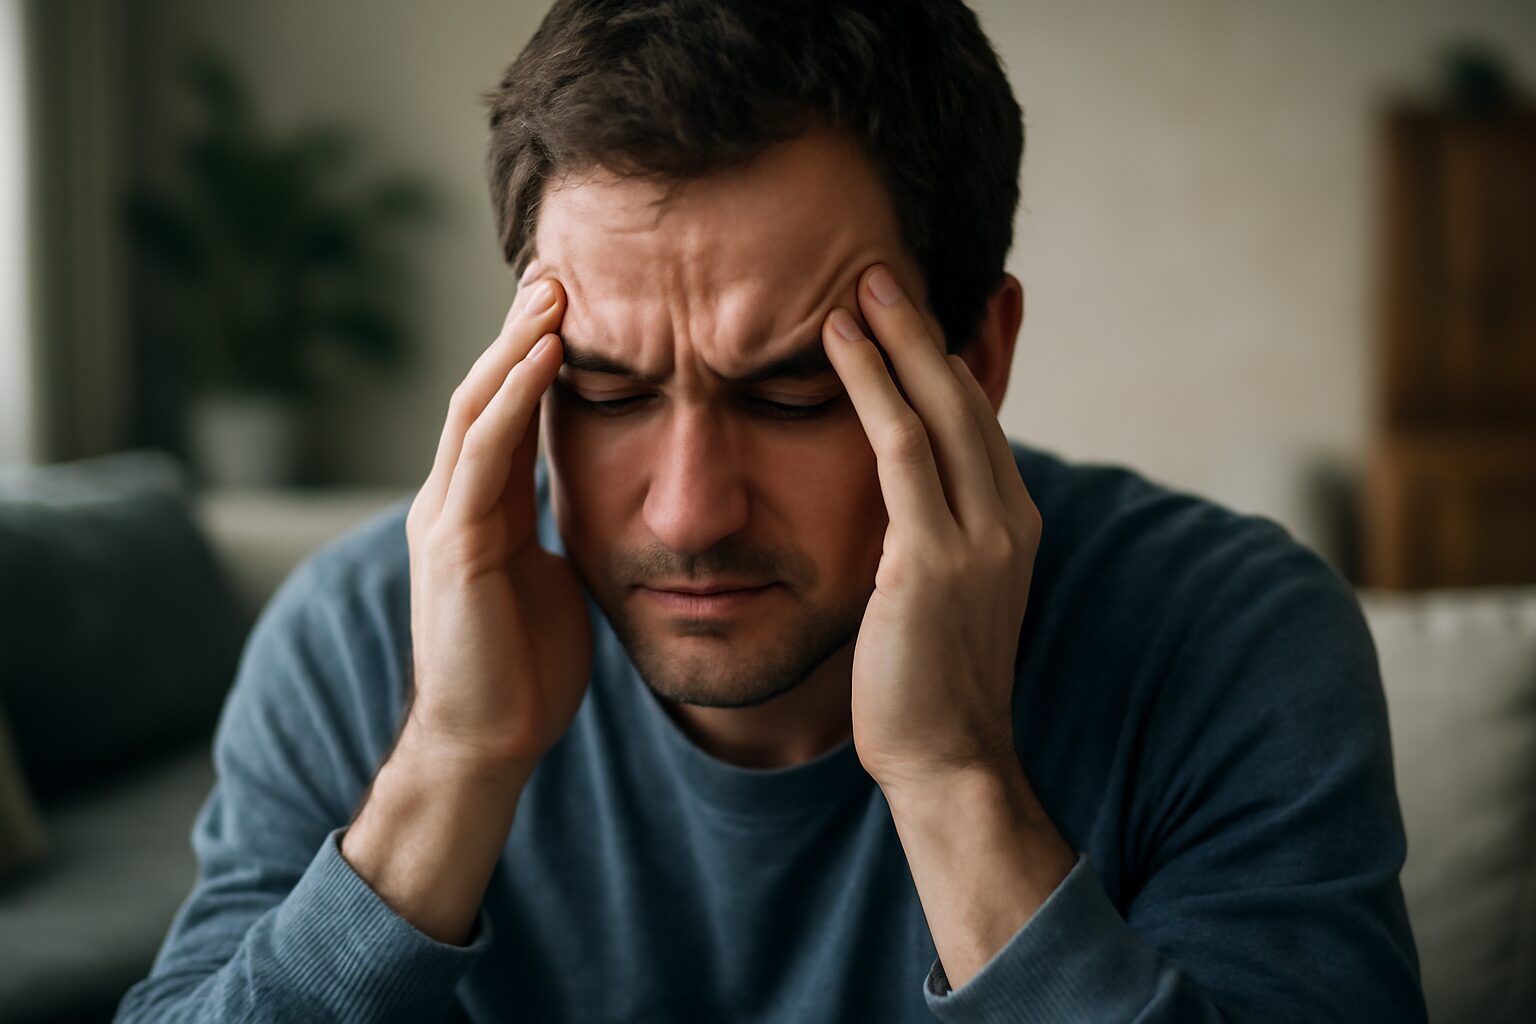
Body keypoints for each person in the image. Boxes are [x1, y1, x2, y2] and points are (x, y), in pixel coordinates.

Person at [117, 1, 1426, 1020]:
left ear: (976, 361)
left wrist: (957, 780)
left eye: (796, 391)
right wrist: (450, 771)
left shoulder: (1233, 639)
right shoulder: (355, 642)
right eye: (606, 389)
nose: (688, 512)